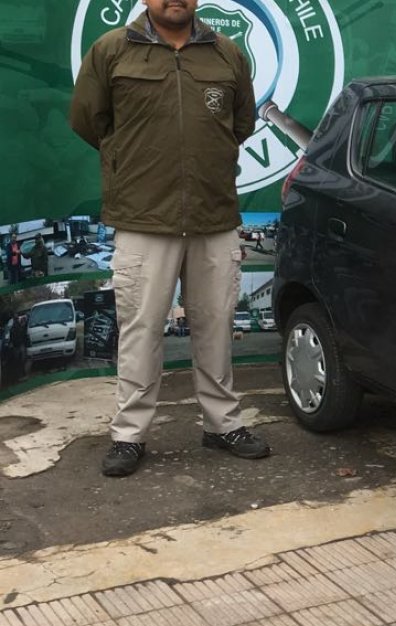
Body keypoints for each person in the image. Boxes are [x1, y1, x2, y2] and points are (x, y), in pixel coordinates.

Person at [70, 0, 269, 477]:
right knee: (140, 331)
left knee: (216, 326)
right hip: (143, 219)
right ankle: (129, 435)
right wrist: (137, 161)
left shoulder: (227, 54)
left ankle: (222, 424)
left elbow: (240, 124)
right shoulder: (112, 51)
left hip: (213, 216)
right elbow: (87, 121)